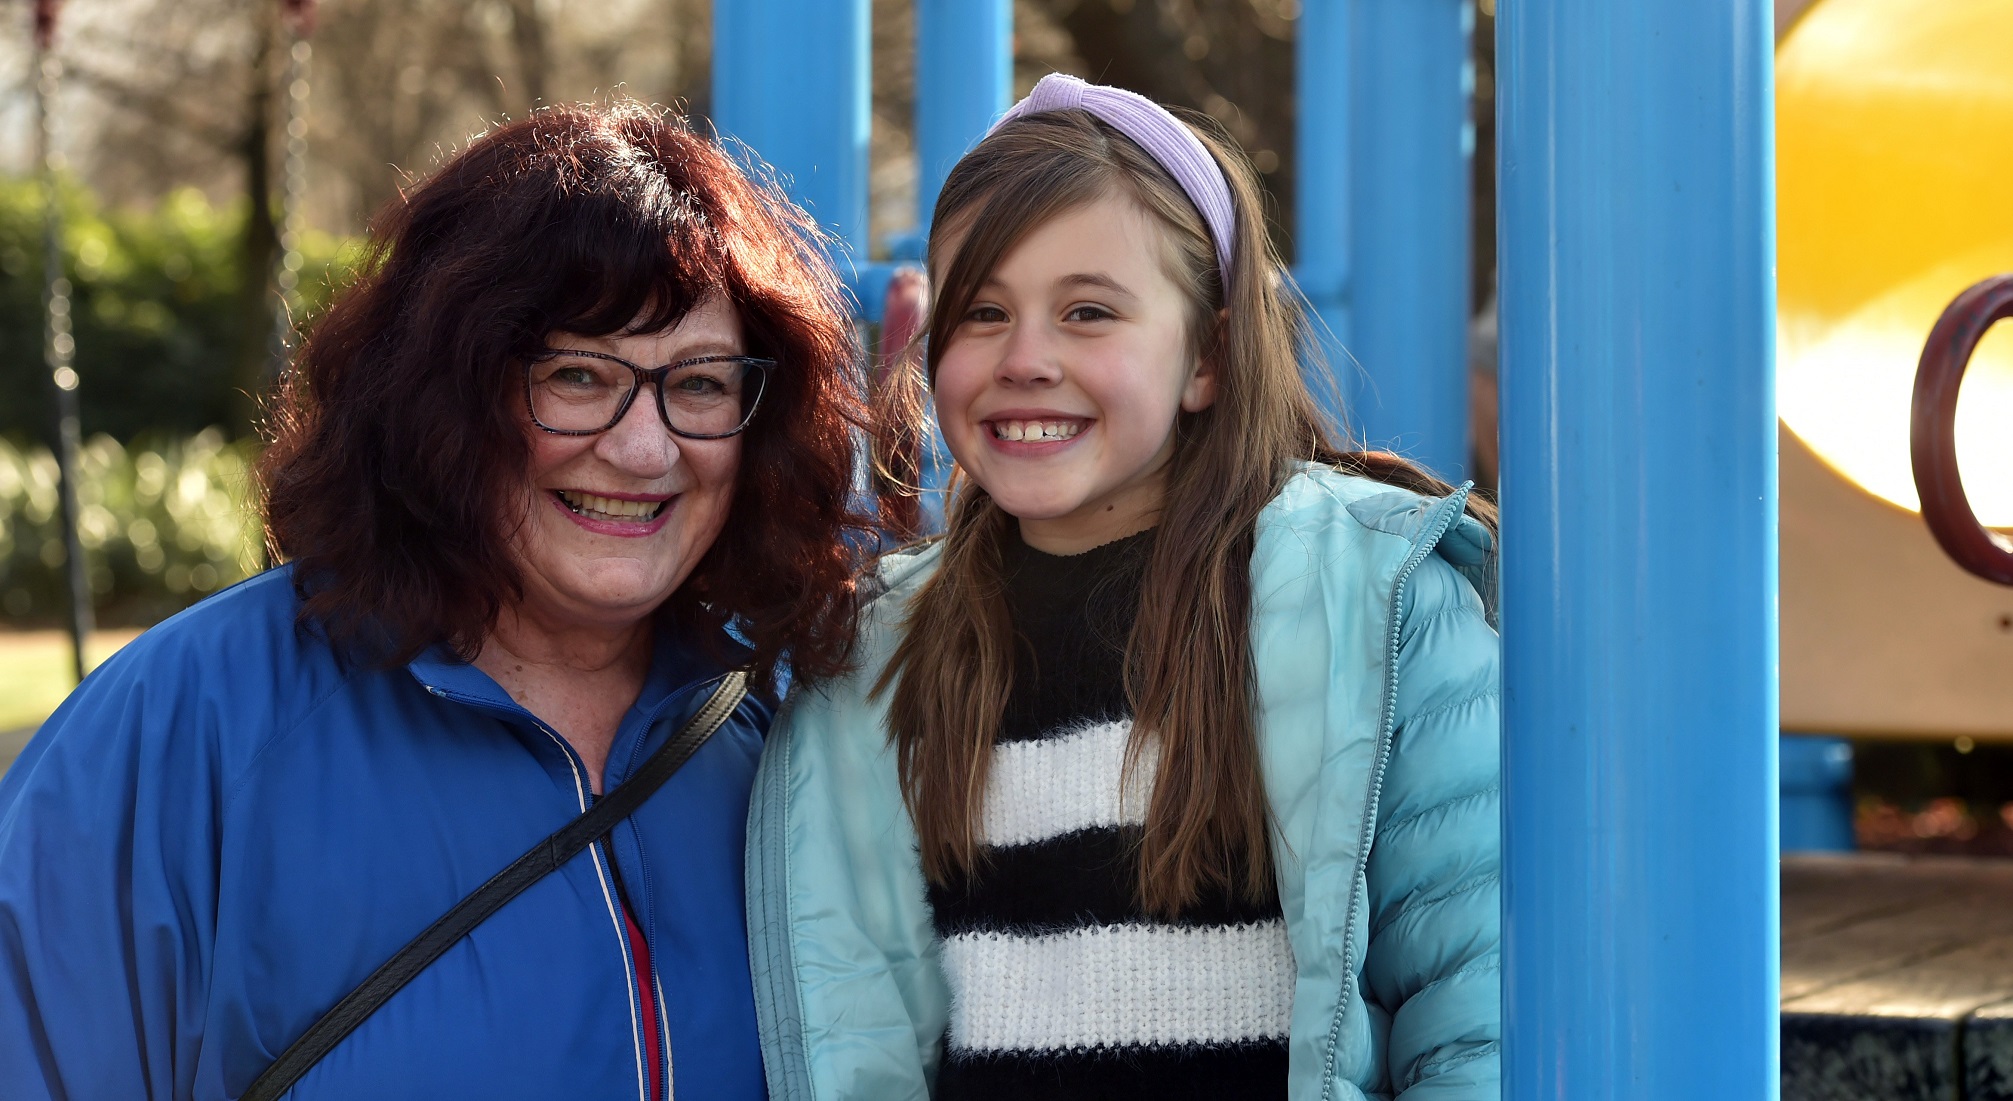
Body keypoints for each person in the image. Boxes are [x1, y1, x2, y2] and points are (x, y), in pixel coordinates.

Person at [0, 101, 873, 1100]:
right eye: (578, 375)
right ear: (441, 397)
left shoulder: (785, 741)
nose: (645, 450)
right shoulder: (184, 734)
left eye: (703, 384)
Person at [746, 75, 1501, 1100]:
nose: (1025, 359)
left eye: (1088, 312)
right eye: (981, 314)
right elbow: (867, 1029)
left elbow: (1471, 1005)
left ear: (1209, 356)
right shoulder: (884, 657)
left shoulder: (1369, 601)